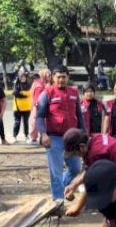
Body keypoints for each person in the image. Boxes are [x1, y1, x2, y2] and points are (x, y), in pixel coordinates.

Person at [36, 65, 84, 201]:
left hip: (73, 139)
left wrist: (83, 134)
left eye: (64, 77)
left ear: (68, 77)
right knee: (56, 172)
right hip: (54, 138)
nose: (61, 80)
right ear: (53, 78)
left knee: (76, 168)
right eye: (58, 77)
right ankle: (58, 201)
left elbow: (79, 116)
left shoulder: (74, 93)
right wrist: (43, 134)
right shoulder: (47, 93)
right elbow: (39, 116)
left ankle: (61, 187)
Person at [28, 68, 50, 144]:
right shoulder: (38, 84)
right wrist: (36, 104)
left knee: (45, 122)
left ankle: (43, 137)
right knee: (34, 122)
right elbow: (34, 95)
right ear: (43, 75)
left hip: (46, 105)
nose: (49, 75)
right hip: (37, 105)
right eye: (47, 73)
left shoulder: (47, 84)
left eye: (49, 73)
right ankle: (33, 138)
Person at [12, 72, 32, 143]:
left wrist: (21, 93)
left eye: (24, 77)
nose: (23, 78)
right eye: (21, 77)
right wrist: (25, 94)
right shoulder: (16, 84)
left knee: (26, 122)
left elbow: (30, 93)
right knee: (17, 122)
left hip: (27, 107)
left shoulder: (29, 85)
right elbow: (15, 93)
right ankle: (14, 136)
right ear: (19, 77)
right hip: (18, 107)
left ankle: (26, 136)